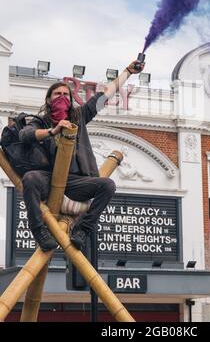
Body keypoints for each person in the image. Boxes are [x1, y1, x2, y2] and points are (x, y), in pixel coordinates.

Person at [19, 59, 145, 252]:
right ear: (48, 99)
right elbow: (25, 135)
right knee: (30, 178)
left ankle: (82, 230)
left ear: (71, 100)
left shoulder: (79, 116)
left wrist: (128, 71)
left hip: (76, 182)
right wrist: (53, 130)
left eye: (65, 94)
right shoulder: (40, 121)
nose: (61, 97)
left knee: (108, 185)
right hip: (49, 180)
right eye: (57, 94)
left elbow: (104, 95)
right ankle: (38, 230)